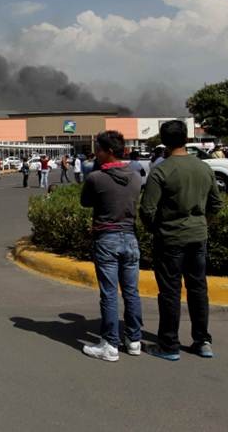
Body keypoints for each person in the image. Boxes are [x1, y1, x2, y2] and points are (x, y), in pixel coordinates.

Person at [140, 120, 222, 361]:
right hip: (198, 237)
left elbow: (147, 210)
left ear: (164, 142)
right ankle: (202, 341)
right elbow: (216, 204)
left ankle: (169, 344)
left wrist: (156, 229)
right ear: (186, 139)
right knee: (198, 289)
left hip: (170, 239)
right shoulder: (203, 168)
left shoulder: (161, 171)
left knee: (170, 292)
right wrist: (204, 223)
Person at [80, 131, 143, 362]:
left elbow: (85, 202)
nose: (96, 153)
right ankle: (134, 340)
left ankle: (110, 344)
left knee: (109, 293)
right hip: (130, 237)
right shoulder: (136, 177)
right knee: (131, 291)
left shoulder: (95, 178)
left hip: (106, 238)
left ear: (108, 152)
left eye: (98, 149)